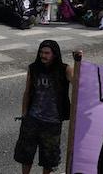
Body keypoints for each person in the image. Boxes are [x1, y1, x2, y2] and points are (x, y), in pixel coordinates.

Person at [13, 40, 72, 174]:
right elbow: (27, 92)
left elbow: (79, 84)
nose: (43, 55)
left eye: (47, 53)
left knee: (49, 159)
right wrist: (24, 114)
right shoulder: (33, 68)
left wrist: (78, 61)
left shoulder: (64, 69)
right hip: (32, 119)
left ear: (55, 54)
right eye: (41, 52)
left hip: (52, 122)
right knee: (25, 155)